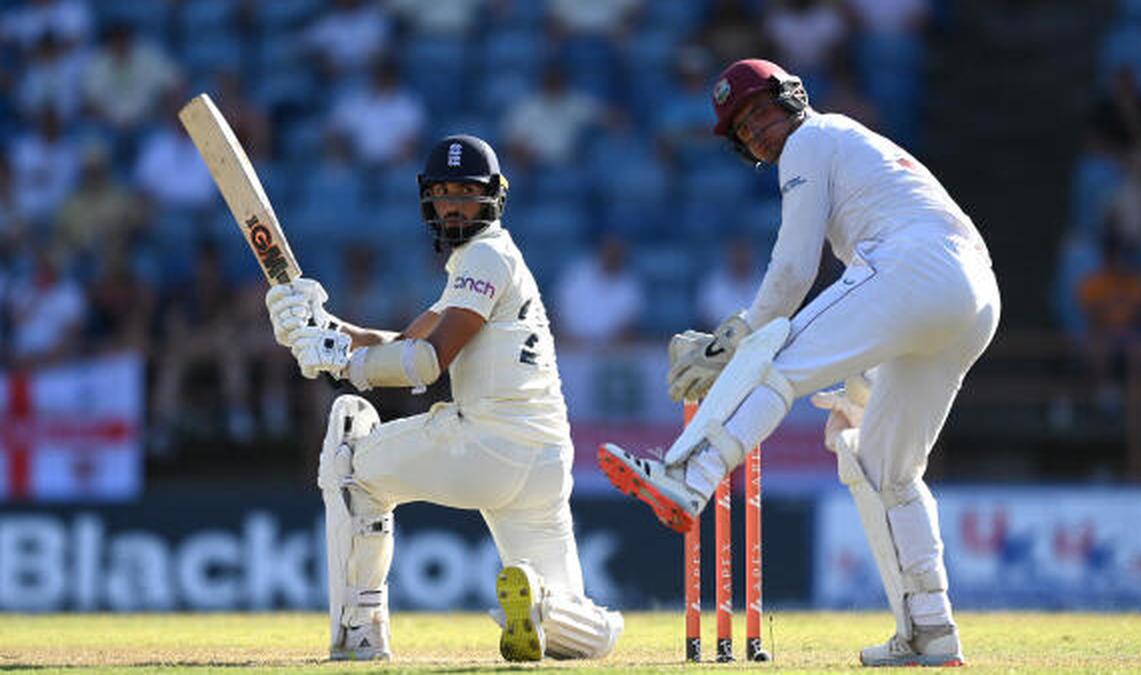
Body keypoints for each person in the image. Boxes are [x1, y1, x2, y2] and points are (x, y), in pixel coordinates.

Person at [597, 59, 1000, 667]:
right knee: (889, 472)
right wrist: (860, 385)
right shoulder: (849, 143)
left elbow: (793, 269)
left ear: (791, 100)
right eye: (742, 128)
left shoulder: (810, 139)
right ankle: (932, 631)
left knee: (773, 361)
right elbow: (889, 307)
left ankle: (690, 478)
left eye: (760, 112)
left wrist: (736, 336)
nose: (755, 131)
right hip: (973, 296)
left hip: (917, 265)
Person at [264, 135, 622, 663]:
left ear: (495, 197)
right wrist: (323, 326)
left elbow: (427, 361)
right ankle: (544, 604)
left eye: (466, 193)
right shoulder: (489, 261)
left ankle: (361, 629)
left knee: (349, 460)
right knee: (576, 637)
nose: (453, 204)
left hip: (488, 446)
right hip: (544, 460)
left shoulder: (484, 256)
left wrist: (341, 362)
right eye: (443, 193)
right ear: (427, 199)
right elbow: (408, 340)